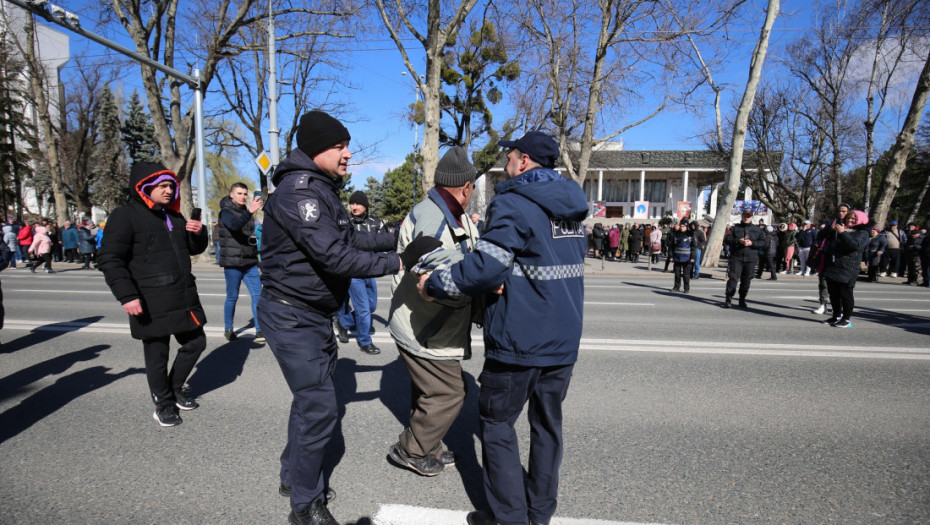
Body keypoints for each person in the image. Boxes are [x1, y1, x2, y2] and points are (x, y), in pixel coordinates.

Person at [255, 110, 436, 525]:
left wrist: (397, 236)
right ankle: (304, 505)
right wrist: (401, 259)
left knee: (310, 403)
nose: (348, 154)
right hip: (291, 315)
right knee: (319, 409)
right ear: (317, 148)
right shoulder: (299, 193)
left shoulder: (320, 189)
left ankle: (292, 475)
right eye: (340, 146)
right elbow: (336, 256)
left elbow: (351, 236)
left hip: (312, 314)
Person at [418, 131, 587, 525]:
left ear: (524, 160)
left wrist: (436, 284)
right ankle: (539, 513)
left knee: (496, 425)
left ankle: (508, 519)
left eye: (511, 156)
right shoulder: (573, 205)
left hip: (520, 338)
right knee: (547, 426)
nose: (507, 162)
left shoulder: (514, 202)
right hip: (564, 336)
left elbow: (488, 267)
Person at [387, 146, 479, 477]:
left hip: (428, 325)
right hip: (423, 328)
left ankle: (430, 441)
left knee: (429, 391)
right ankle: (412, 449)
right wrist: (481, 285)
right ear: (466, 187)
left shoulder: (451, 213)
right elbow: (437, 275)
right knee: (449, 392)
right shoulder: (435, 219)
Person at [98, 162, 209, 427]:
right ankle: (163, 403)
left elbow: (190, 250)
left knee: (196, 342)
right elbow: (109, 258)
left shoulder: (173, 216)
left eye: (171, 185)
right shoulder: (125, 215)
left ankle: (175, 387)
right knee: (157, 354)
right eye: (162, 186)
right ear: (145, 187)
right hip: (149, 298)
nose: (169, 190)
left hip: (182, 296)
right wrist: (127, 295)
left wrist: (198, 234)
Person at [334, 190, 390, 354]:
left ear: (365, 205)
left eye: (357, 203)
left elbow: (385, 242)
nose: (354, 206)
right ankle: (365, 341)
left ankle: (343, 322)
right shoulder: (345, 223)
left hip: (369, 271)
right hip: (353, 272)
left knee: (371, 306)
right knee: (363, 309)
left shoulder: (376, 223)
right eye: (352, 203)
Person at [217, 182, 264, 343]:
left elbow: (250, 237)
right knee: (232, 296)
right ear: (231, 195)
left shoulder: (245, 211)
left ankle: (260, 330)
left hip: (249, 261)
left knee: (258, 295)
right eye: (239, 193)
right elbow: (235, 226)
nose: (243, 197)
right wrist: (250, 211)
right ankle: (228, 329)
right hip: (232, 262)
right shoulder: (225, 212)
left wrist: (257, 257)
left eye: (245, 194)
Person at [822, 210, 870, 327]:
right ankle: (836, 315)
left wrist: (843, 233)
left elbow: (855, 245)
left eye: (854, 218)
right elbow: (827, 242)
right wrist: (831, 231)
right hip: (834, 264)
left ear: (861, 220)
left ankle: (847, 318)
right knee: (833, 293)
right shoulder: (841, 229)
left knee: (845, 294)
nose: (850, 219)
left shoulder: (863, 233)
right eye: (849, 217)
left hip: (848, 267)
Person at [811, 204, 850, 313]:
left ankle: (838, 306)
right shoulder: (831, 223)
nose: (841, 213)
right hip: (827, 255)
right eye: (839, 211)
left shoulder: (850, 225)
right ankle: (823, 304)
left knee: (839, 284)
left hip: (842, 258)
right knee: (823, 281)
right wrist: (830, 229)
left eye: (844, 211)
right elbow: (819, 236)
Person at [722, 211, 764, 308]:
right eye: (745, 216)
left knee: (746, 280)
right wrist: (738, 241)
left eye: (748, 216)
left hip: (751, 258)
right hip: (737, 257)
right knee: (733, 278)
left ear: (752, 218)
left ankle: (742, 299)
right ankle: (728, 299)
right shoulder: (734, 228)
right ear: (741, 217)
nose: (746, 218)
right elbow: (727, 239)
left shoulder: (757, 229)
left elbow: (764, 243)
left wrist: (752, 243)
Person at [670, 220, 697, 294]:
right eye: (680, 226)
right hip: (677, 258)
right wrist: (671, 256)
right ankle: (676, 287)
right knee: (677, 274)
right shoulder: (676, 234)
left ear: (686, 227)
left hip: (687, 259)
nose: (681, 228)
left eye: (683, 226)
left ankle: (686, 288)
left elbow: (694, 247)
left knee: (686, 275)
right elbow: (671, 246)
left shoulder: (690, 234)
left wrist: (692, 258)